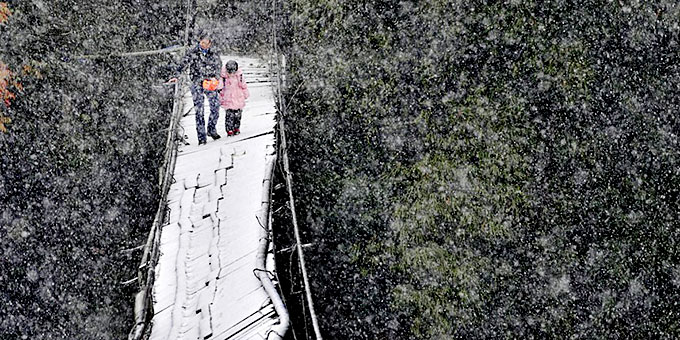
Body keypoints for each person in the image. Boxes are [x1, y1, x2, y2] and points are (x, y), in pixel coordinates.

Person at [168, 31, 222, 145]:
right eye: (203, 43)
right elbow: (183, 64)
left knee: (215, 106)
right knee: (199, 110)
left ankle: (211, 129)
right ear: (199, 42)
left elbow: (218, 66)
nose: (205, 45)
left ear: (210, 43)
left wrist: (215, 78)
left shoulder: (214, 53)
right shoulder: (193, 52)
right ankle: (201, 138)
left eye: (207, 43)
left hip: (209, 82)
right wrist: (176, 76)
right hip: (196, 82)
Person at [218, 60, 249, 136]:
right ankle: (229, 129)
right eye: (230, 72)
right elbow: (220, 88)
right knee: (229, 116)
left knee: (238, 115)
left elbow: (243, 85)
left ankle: (236, 128)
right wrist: (220, 98)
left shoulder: (239, 76)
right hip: (228, 98)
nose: (231, 74)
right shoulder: (223, 77)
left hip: (238, 97)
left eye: (233, 72)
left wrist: (246, 94)